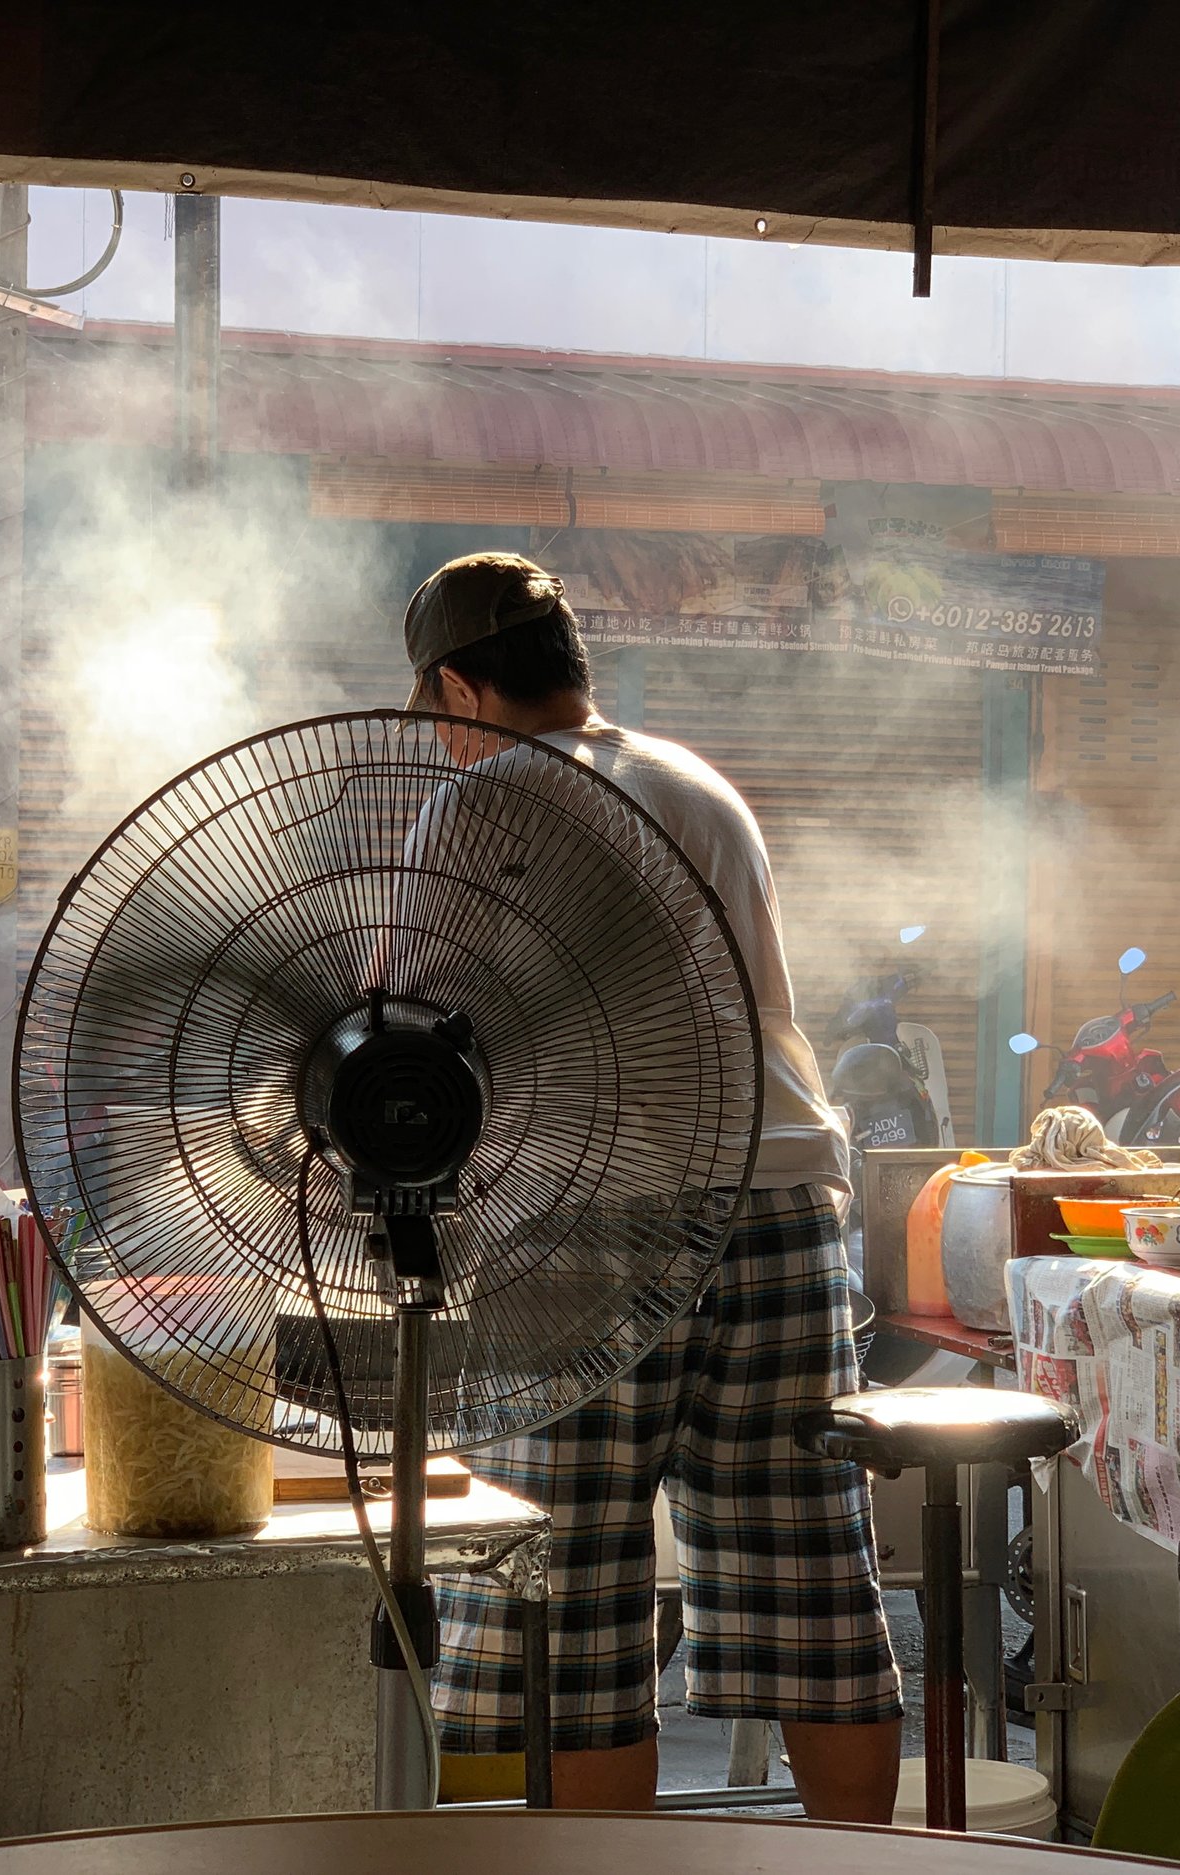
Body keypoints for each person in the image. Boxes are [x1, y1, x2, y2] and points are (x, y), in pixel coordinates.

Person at [407, 553, 901, 1822]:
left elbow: (410, 1042)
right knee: (814, 1591)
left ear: (462, 690)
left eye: (432, 715)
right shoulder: (697, 784)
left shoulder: (482, 809)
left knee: (569, 1613)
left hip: (583, 1224)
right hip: (785, 1209)